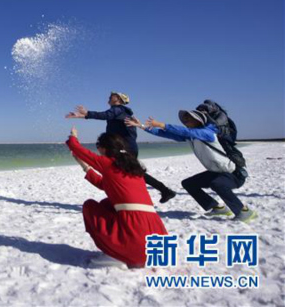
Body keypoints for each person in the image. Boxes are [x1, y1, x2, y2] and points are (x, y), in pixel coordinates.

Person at [125, 110, 257, 222]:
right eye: (185, 119)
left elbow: (183, 131)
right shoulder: (192, 137)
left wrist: (161, 124)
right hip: (216, 172)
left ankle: (243, 211)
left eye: (189, 118)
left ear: (199, 120)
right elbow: (165, 134)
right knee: (188, 183)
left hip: (233, 173)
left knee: (218, 184)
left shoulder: (207, 133)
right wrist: (141, 125)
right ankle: (217, 208)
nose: (186, 120)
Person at [67, 127, 168, 268]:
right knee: (106, 203)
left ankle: (116, 254)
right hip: (158, 240)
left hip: (137, 239)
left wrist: (73, 136)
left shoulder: (108, 162)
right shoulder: (133, 168)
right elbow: (104, 185)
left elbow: (75, 148)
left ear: (104, 148)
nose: (98, 151)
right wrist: (84, 165)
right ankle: (121, 250)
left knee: (89, 206)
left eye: (98, 147)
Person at [66, 91, 177, 203]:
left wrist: (87, 113)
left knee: (130, 172)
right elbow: (108, 116)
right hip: (128, 147)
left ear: (119, 99)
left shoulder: (118, 109)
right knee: (134, 172)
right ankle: (164, 191)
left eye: (112, 96)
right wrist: (83, 116)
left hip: (125, 148)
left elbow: (105, 115)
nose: (109, 97)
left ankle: (161, 191)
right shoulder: (121, 112)